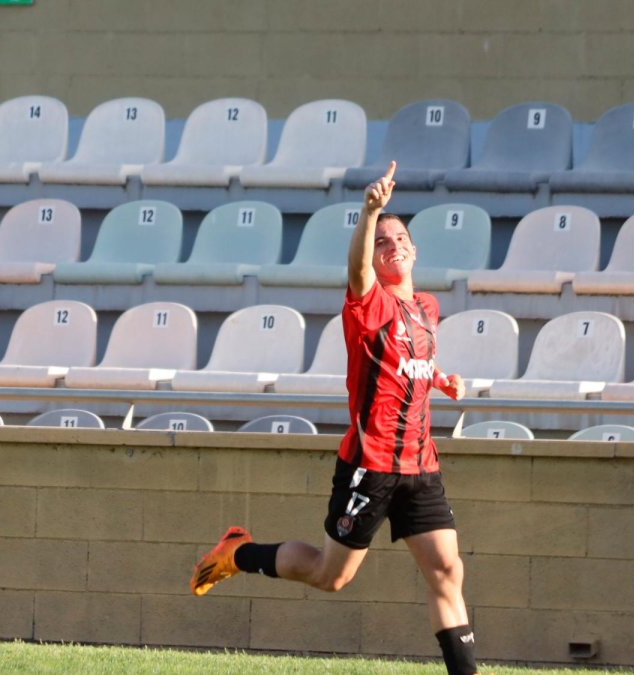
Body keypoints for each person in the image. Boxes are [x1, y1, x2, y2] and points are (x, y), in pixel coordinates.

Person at [189, 161, 479, 675]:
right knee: (331, 575)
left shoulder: (428, 308)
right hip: (371, 465)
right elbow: (358, 273)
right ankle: (240, 553)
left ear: (414, 248)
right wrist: (369, 214)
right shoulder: (368, 306)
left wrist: (439, 378)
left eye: (399, 237)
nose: (393, 246)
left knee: (446, 571)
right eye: (383, 241)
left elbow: (408, 362)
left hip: (420, 465)